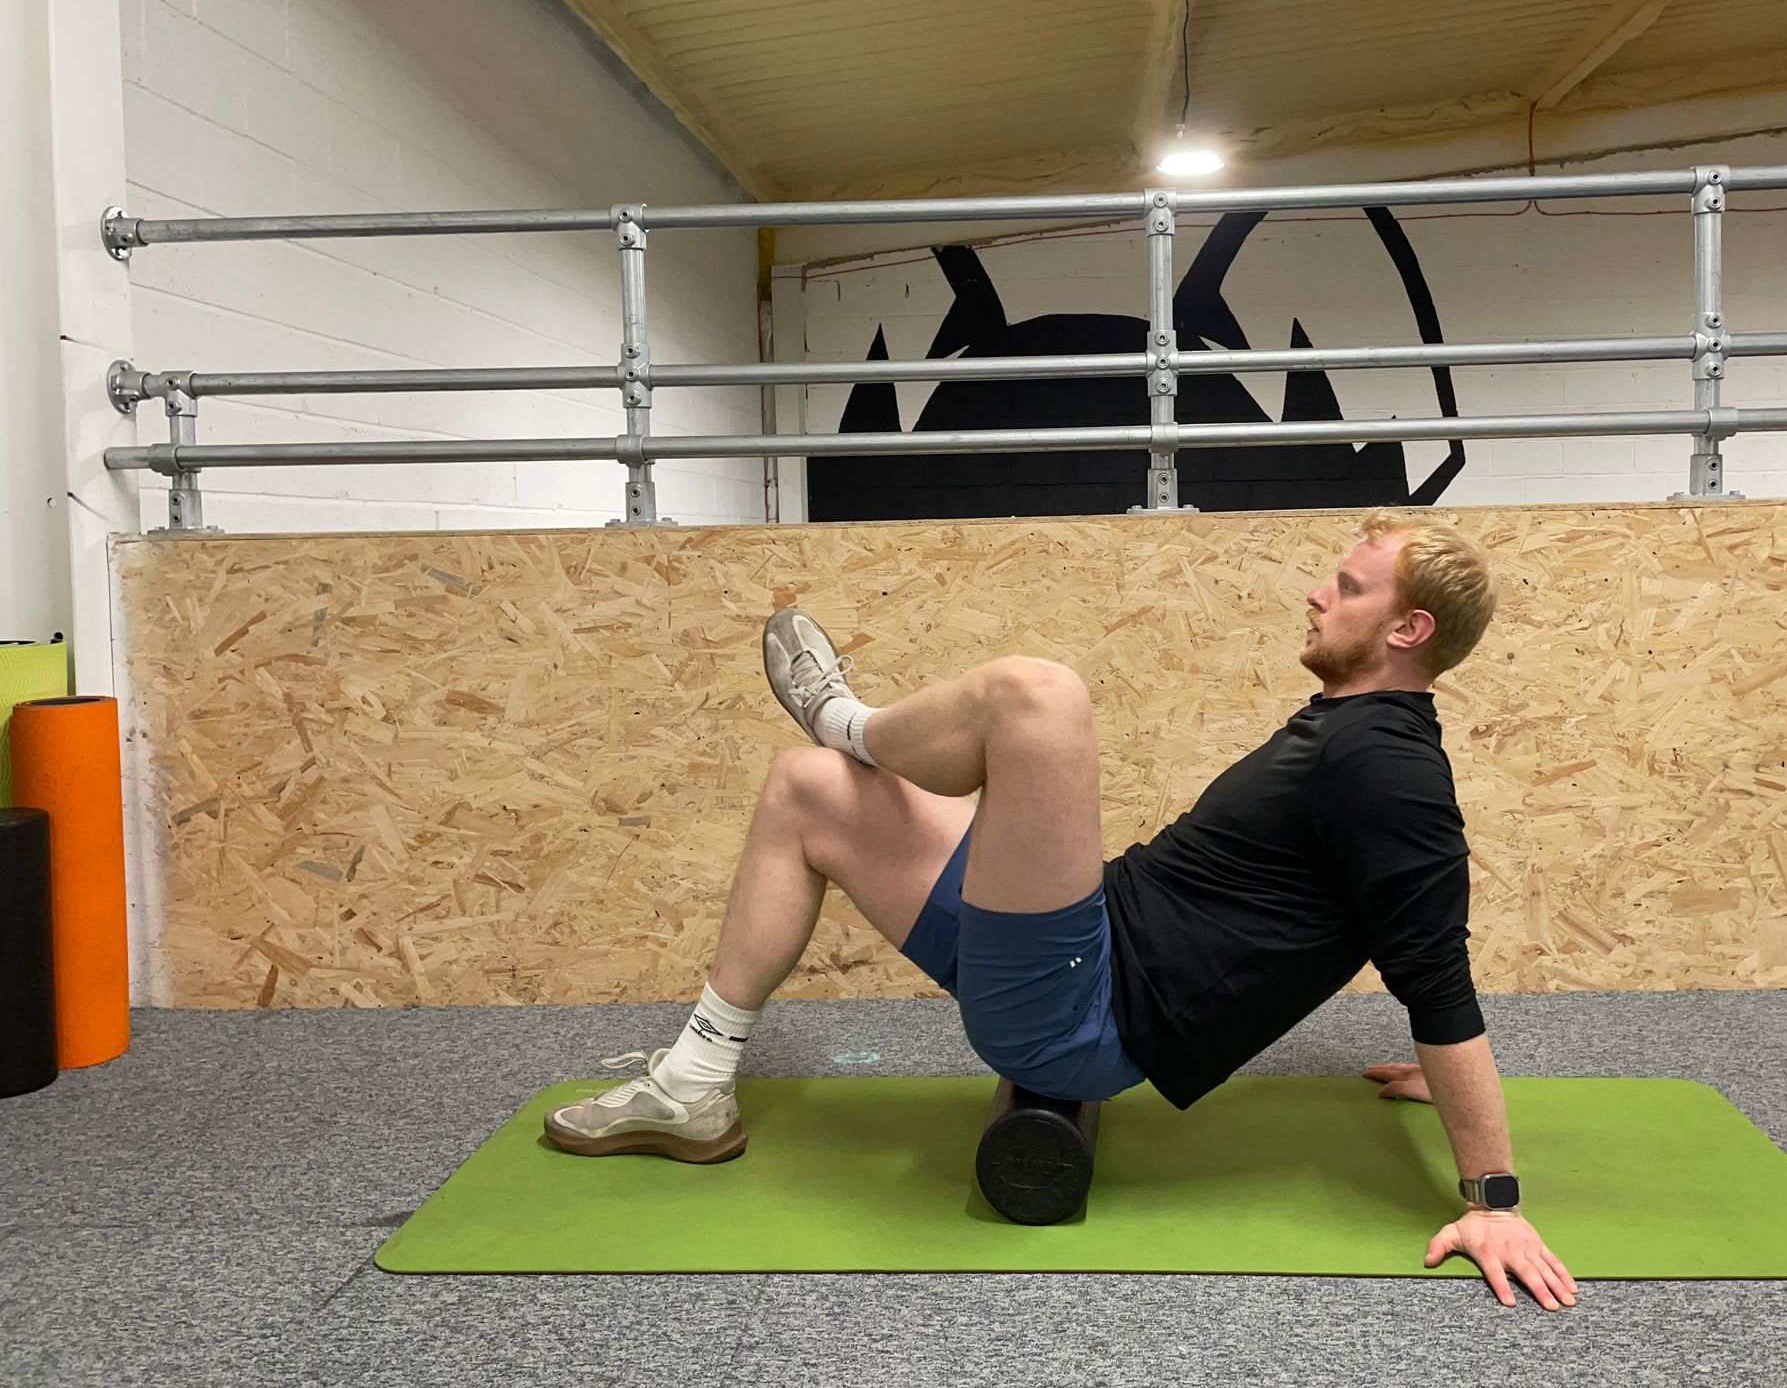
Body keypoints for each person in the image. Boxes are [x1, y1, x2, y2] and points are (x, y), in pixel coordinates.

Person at [543, 512, 1577, 1310]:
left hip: (1081, 1014)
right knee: (804, 790)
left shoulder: (1390, 771)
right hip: (1071, 951)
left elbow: (1434, 971)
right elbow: (1348, 921)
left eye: (1346, 587)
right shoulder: (1353, 732)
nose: (1314, 593)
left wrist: (1493, 1199)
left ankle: (850, 716)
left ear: (1406, 628)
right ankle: (692, 1085)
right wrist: (1425, 1077)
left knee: (1036, 696)